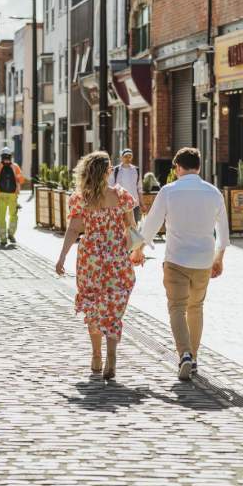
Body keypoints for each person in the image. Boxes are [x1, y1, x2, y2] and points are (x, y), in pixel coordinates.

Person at [140, 147, 229, 381]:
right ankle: (195, 358)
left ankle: (185, 355)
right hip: (202, 262)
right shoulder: (213, 193)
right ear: (199, 167)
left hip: (176, 259)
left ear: (178, 167)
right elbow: (223, 231)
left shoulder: (169, 191)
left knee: (177, 307)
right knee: (196, 308)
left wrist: (138, 249)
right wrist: (219, 257)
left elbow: (151, 224)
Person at [56, 151, 141, 380]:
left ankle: (96, 355)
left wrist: (62, 256)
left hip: (90, 259)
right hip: (116, 258)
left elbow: (74, 230)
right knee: (113, 307)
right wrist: (136, 251)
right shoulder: (121, 196)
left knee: (93, 304)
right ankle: (111, 357)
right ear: (107, 172)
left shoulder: (80, 198)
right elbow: (131, 229)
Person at [0, 147, 24, 247]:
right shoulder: (15, 166)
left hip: (0, 195)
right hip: (13, 195)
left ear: (1, 156)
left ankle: (3, 239)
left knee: (1, 217)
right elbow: (21, 180)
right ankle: (11, 234)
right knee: (13, 215)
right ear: (10, 156)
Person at [109, 148, 144, 224]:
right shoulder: (115, 170)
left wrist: (142, 203)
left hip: (134, 204)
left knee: (134, 226)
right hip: (119, 203)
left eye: (130, 156)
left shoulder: (136, 170)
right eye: (125, 156)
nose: (128, 158)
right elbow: (111, 187)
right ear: (121, 157)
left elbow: (139, 188)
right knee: (121, 225)